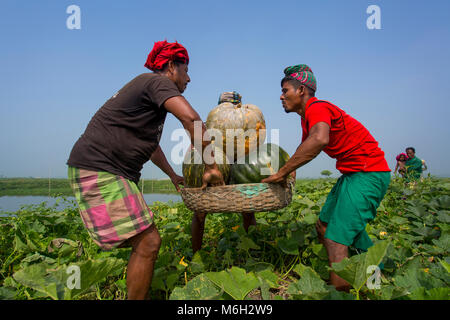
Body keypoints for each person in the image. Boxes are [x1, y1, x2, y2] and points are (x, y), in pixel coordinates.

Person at [66, 40, 224, 300]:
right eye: (186, 71)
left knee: (144, 242)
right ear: (171, 67)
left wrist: (173, 175)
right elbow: (192, 119)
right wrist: (211, 167)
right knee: (148, 242)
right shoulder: (157, 82)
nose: (189, 79)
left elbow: (151, 148)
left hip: (103, 168)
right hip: (101, 168)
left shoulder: (149, 93)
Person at [261, 64, 391, 292]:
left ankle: (341, 293)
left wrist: (281, 171)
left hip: (369, 173)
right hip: (354, 174)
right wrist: (288, 172)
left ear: (301, 90)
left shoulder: (317, 107)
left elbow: (319, 140)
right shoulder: (306, 117)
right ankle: (375, 283)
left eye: (285, 90)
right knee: (325, 226)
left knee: (335, 239)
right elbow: (305, 146)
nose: (281, 96)